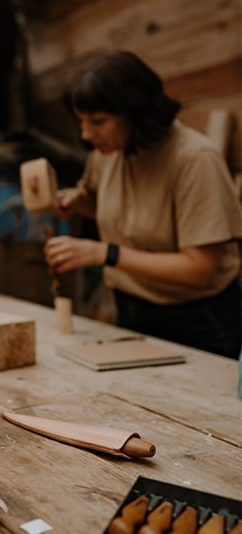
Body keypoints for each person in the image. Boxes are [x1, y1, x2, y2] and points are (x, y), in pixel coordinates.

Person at [44, 50, 241, 358]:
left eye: (97, 121)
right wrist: (75, 202)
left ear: (135, 111)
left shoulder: (194, 159)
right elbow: (118, 211)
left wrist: (102, 252)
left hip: (199, 320)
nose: (85, 134)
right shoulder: (108, 153)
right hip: (131, 310)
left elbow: (199, 269)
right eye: (81, 121)